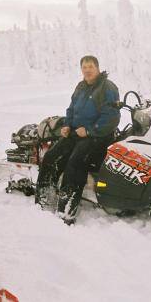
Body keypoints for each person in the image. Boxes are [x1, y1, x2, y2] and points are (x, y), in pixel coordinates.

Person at [47, 55, 120, 224]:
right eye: (84, 67)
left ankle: (66, 212)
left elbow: (111, 118)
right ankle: (45, 198)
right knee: (52, 156)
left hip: (98, 136)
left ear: (97, 68)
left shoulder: (107, 87)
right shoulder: (81, 86)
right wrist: (66, 125)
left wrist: (88, 131)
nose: (87, 70)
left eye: (90, 67)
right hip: (75, 133)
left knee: (75, 162)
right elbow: (71, 109)